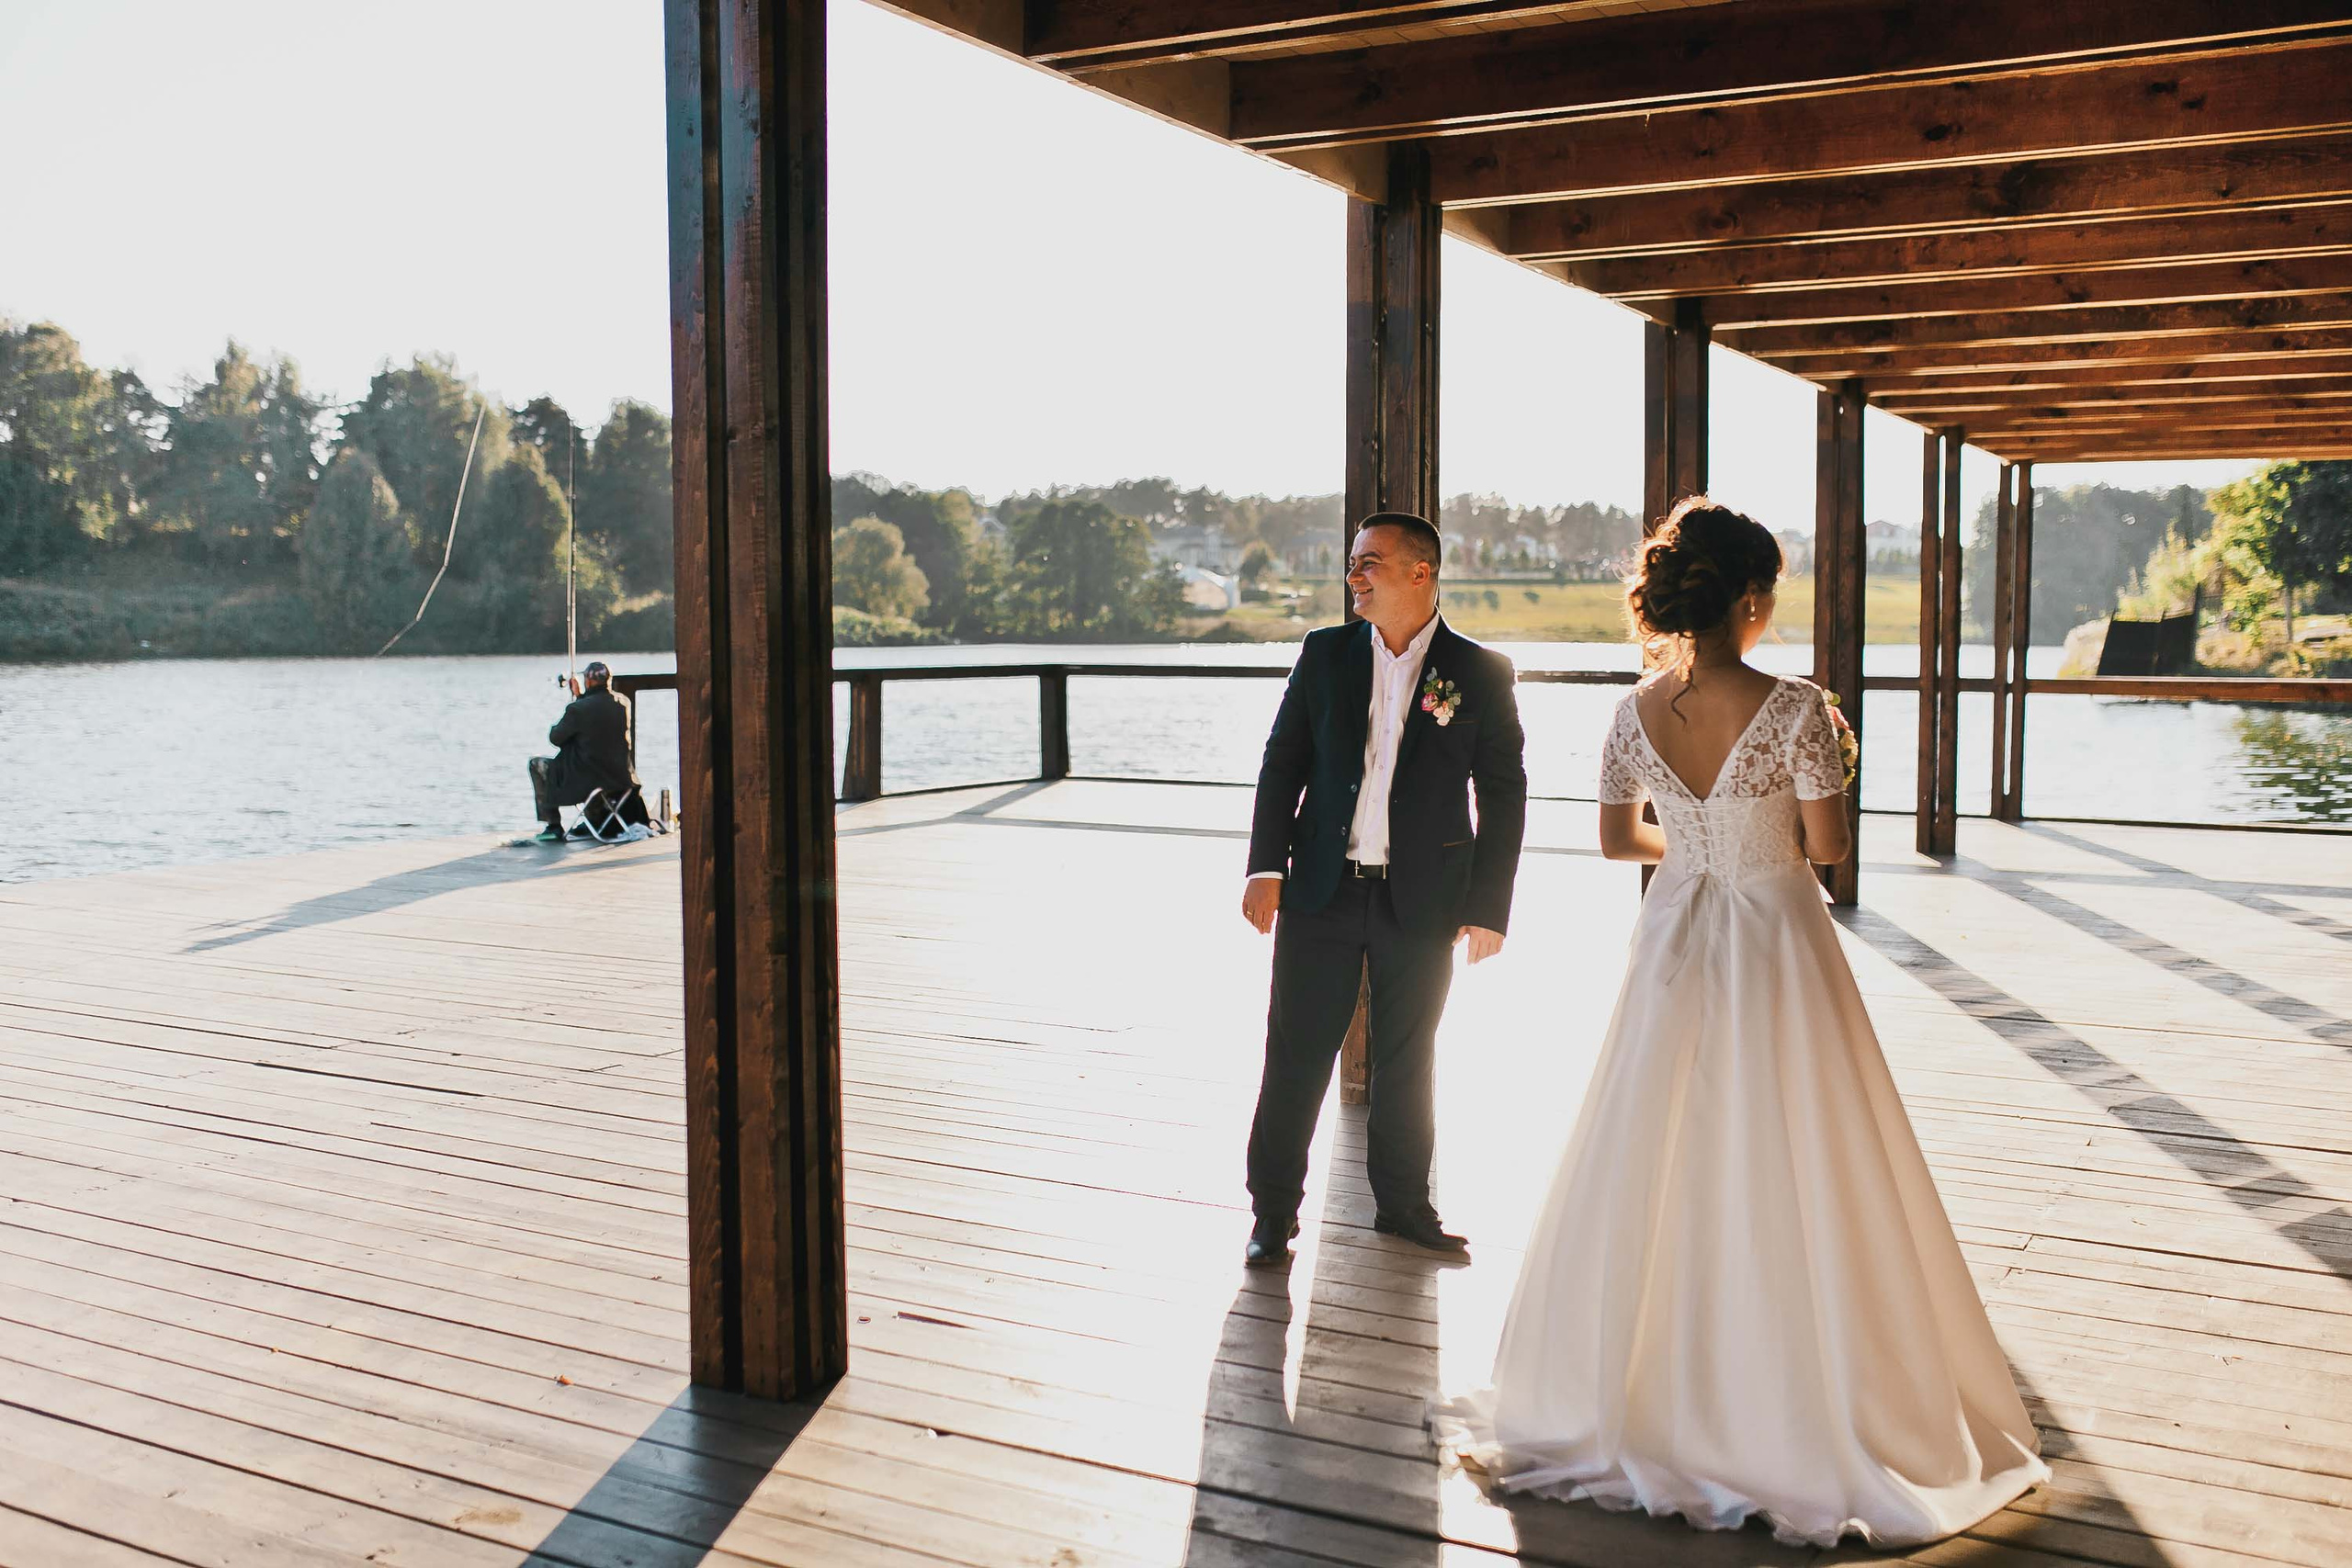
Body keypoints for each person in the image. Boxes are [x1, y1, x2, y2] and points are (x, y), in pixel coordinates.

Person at [1430, 498, 2045, 1548]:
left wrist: (1701, 851)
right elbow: (1828, 847)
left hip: (1676, 938)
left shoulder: (1633, 710)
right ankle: (1787, 1402)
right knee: (1796, 1143)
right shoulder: (1800, 707)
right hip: (1774, 941)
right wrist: (1821, 778)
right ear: (1752, 600)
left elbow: (1621, 843)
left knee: (1653, 1146)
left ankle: (1635, 1392)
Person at [1238, 512, 1527, 1267]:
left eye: (1369, 562)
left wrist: (1488, 906)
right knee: (1295, 1056)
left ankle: (1403, 1208)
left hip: (1424, 900)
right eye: (1351, 562)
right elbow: (1282, 763)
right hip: (1320, 892)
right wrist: (1265, 866)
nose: (1353, 575)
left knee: (1409, 1062)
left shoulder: (1481, 671)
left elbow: (1504, 791)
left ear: (1420, 572)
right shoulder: (1324, 653)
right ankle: (1272, 1215)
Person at [529, 660, 641, 844]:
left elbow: (556, 738)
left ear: (588, 682)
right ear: (608, 680)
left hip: (586, 781)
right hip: (620, 779)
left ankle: (553, 825)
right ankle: (596, 820)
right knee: (589, 762)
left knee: (536, 764)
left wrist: (578, 698)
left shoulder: (578, 709)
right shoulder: (623, 703)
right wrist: (580, 696)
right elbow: (596, 715)